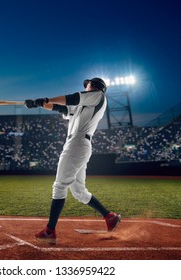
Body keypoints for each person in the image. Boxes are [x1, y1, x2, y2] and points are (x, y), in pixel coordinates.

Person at [24, 77, 121, 244]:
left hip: (77, 144)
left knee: (59, 186)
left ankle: (50, 230)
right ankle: (109, 216)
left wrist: (46, 99)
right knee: (79, 192)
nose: (86, 87)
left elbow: (72, 98)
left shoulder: (98, 95)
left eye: (88, 85)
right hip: (78, 145)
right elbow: (60, 108)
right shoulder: (84, 106)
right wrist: (39, 104)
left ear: (95, 86)